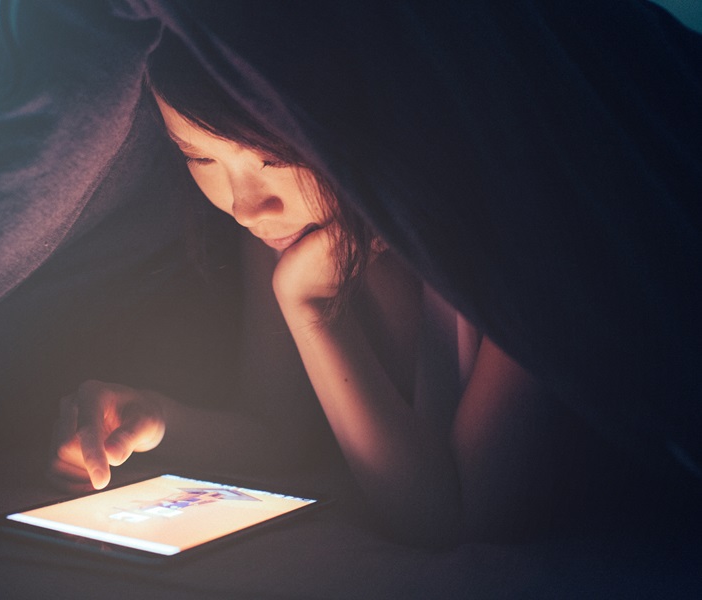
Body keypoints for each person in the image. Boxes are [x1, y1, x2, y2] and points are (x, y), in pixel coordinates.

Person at [45, 32, 627, 546]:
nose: (245, 205)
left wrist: (311, 311)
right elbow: (280, 433)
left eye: (275, 158)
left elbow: (452, 517)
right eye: (199, 155)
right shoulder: (280, 231)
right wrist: (158, 420)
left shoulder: (524, 234)